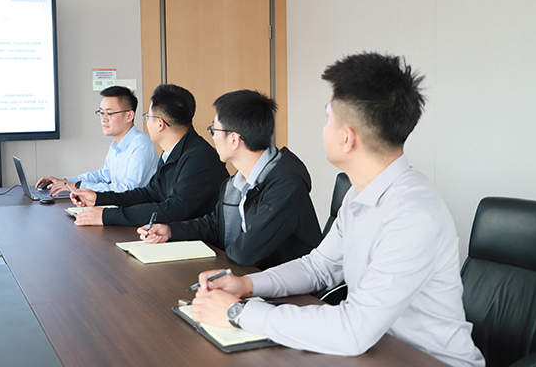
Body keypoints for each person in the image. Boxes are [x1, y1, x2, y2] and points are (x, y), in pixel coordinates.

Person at [188, 53, 485, 367]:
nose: (324, 128)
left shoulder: (412, 214)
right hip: (379, 351)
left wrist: (237, 313)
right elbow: (318, 267)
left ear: (346, 138)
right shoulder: (360, 194)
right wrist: (246, 285)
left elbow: (353, 330)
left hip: (429, 360)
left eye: (328, 118)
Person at [136, 90, 322, 269]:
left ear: (234, 140)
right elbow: (217, 225)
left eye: (214, 130)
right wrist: (171, 231)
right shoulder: (237, 182)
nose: (213, 138)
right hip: (249, 276)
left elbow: (246, 251)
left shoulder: (285, 185)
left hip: (288, 285)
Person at [72, 84, 229, 227]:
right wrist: (99, 198)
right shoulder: (172, 152)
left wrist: (107, 215)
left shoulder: (199, 158)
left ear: (160, 124)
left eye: (147, 116)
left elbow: (174, 210)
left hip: (204, 243)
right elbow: (150, 193)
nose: (146, 122)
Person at [35, 86, 157, 196]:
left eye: (109, 113)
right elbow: (103, 176)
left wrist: (78, 186)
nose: (103, 119)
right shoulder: (116, 144)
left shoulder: (141, 145)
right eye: (101, 113)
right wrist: (66, 182)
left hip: (134, 210)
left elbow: (128, 189)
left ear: (129, 116)